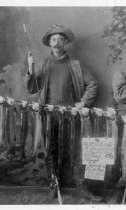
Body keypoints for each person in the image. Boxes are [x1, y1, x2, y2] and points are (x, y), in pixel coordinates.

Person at [24, 24, 98, 188]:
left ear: (65, 42)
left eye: (60, 39)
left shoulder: (76, 65)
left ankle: (67, 181)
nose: (57, 43)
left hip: (70, 116)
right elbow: (32, 88)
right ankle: (53, 180)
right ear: (49, 43)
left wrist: (84, 102)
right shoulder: (44, 65)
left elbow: (92, 84)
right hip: (49, 115)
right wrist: (30, 68)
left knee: (69, 148)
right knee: (51, 148)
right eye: (53, 39)